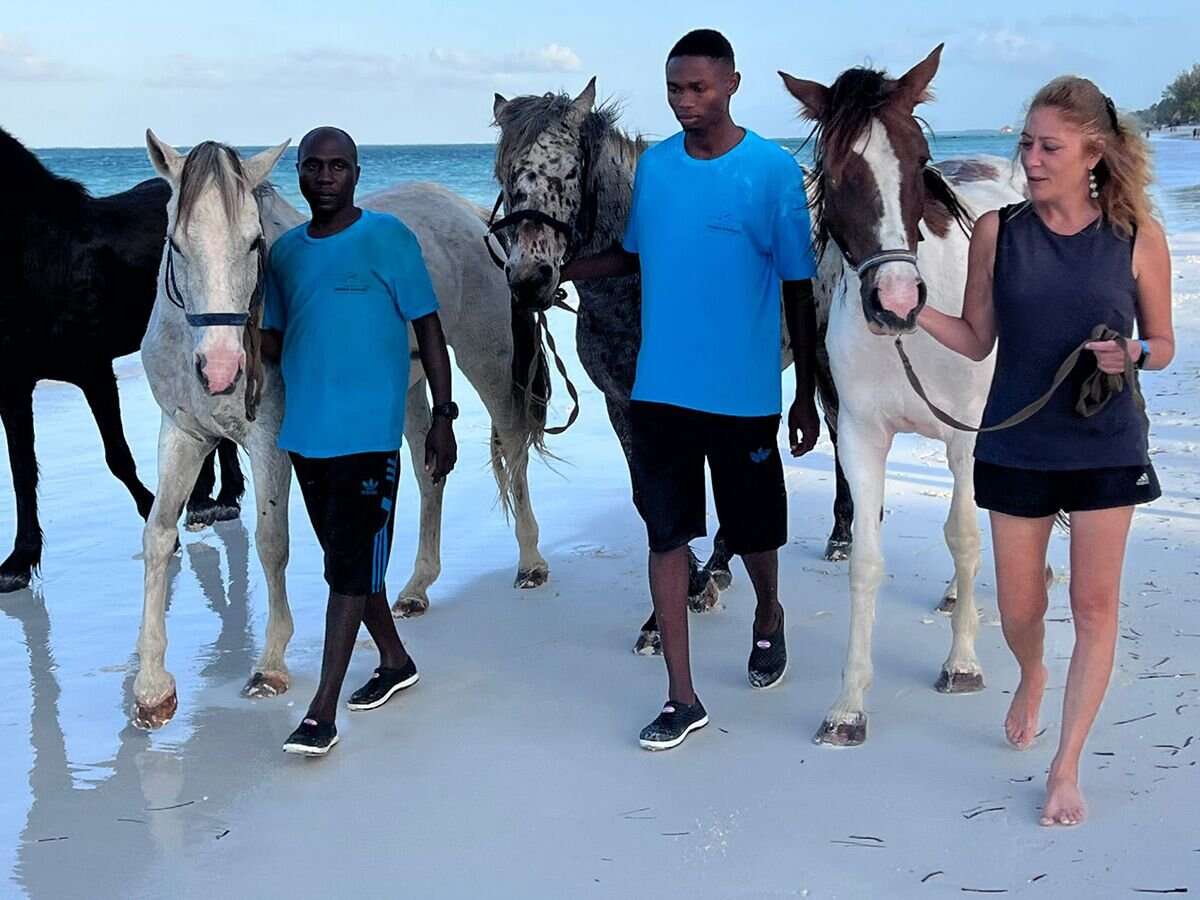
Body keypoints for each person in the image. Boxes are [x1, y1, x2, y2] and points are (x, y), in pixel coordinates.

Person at [917, 77, 1175, 825]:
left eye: (1048, 147)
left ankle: (1066, 765)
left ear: (1093, 153)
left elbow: (1163, 343)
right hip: (1017, 442)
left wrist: (1133, 353)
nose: (1029, 159)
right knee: (1018, 608)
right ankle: (1032, 672)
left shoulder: (1138, 235)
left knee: (1093, 606)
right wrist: (911, 312)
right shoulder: (998, 232)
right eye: (1026, 144)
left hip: (1105, 442)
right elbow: (977, 339)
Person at [561, 29, 821, 750]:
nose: (684, 101)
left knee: (755, 531)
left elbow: (799, 288)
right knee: (666, 534)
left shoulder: (771, 171)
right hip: (661, 390)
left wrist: (804, 392)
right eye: (674, 88)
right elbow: (634, 257)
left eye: (699, 88)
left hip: (742, 394)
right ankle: (682, 695)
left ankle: (768, 612)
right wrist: (560, 269)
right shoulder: (657, 167)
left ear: (732, 84)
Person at [262, 127, 458, 756]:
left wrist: (443, 416)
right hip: (305, 435)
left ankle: (321, 711)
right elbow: (273, 340)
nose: (325, 177)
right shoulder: (284, 254)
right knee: (348, 564)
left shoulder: (387, 237)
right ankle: (395, 661)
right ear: (298, 172)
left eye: (338, 166)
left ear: (355, 172)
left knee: (349, 571)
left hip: (370, 436)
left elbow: (429, 328)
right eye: (313, 166)